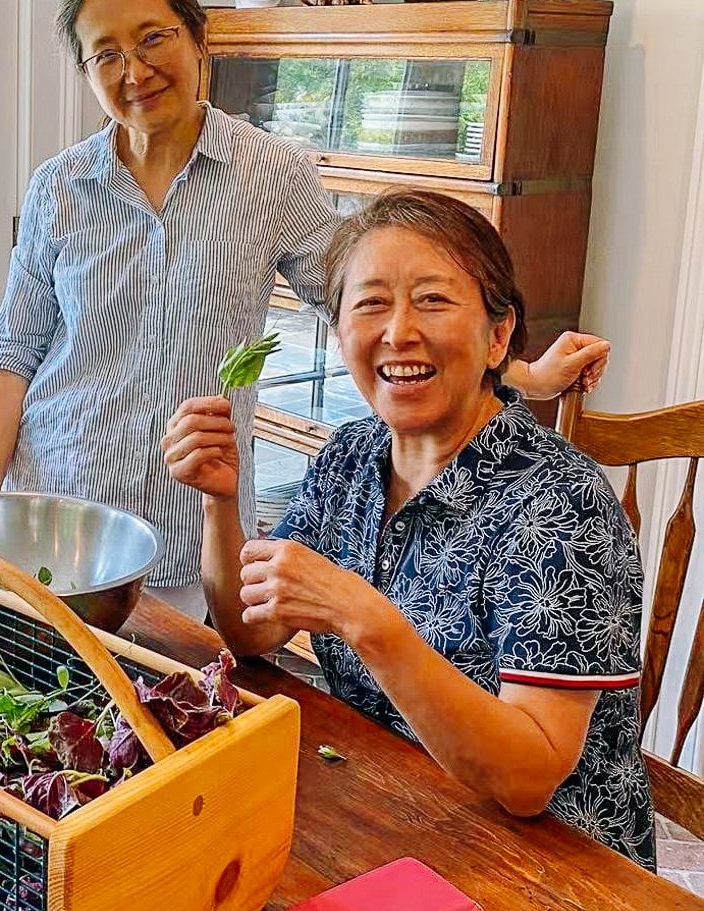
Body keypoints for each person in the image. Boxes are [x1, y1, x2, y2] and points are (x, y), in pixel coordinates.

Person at [0, 0, 609, 601]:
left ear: (197, 36)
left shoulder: (269, 173)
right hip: (57, 524)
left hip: (192, 538)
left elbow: (365, 299)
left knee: (185, 701)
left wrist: (523, 373)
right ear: (85, 69)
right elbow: (14, 350)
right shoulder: (59, 187)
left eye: (152, 38)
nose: (133, 71)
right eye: (106, 53)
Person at [163, 189, 654, 869]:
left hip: (555, 870)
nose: (397, 332)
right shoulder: (352, 454)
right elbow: (251, 633)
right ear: (340, 334)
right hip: (395, 809)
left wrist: (370, 622)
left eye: (432, 300)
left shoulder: (561, 503)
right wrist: (220, 503)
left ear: (499, 335)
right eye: (369, 304)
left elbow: (528, 780)